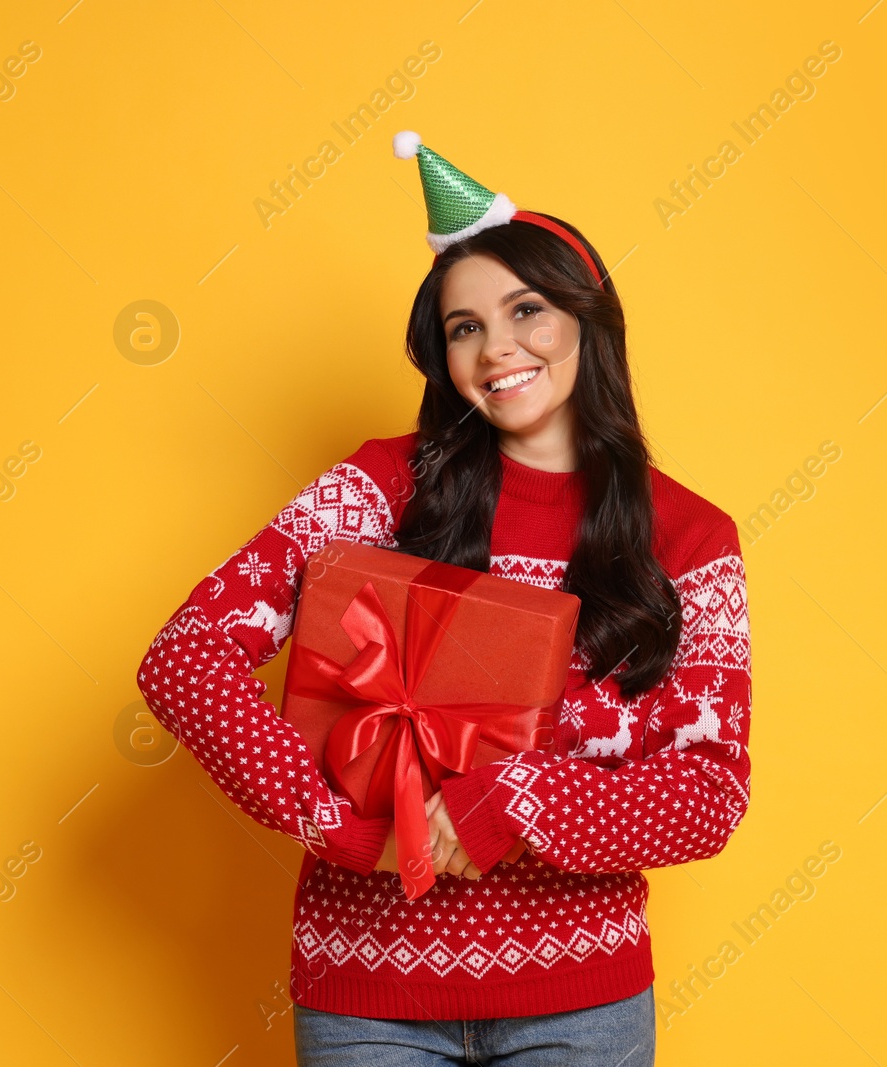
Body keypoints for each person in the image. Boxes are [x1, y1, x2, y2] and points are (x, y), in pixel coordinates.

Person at [136, 132, 753, 1065]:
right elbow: (185, 657)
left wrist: (516, 799)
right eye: (466, 327)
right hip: (367, 993)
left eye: (527, 310)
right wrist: (340, 826)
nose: (498, 348)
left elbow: (711, 792)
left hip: (580, 1004)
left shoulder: (693, 538)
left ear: (590, 319)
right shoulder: (376, 490)